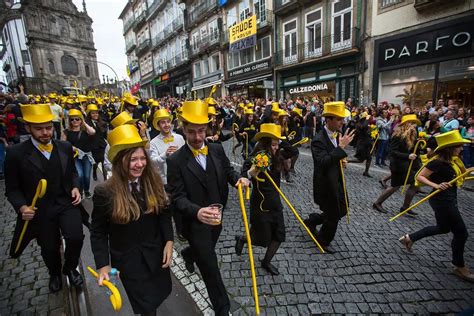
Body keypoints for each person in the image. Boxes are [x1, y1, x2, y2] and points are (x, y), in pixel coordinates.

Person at [166, 100, 250, 315]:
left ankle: (188, 254)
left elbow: (228, 171)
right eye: (191, 132)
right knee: (211, 266)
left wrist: (239, 180)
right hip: (195, 223)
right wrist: (197, 211)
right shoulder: (176, 161)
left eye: (201, 131)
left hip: (217, 219)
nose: (197, 137)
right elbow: (177, 198)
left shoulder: (216, 149)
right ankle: (223, 309)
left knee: (205, 252)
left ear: (208, 129)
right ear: (183, 130)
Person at [91, 124, 173, 315]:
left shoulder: (153, 181)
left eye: (142, 158)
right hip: (128, 261)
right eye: (133, 159)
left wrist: (169, 240)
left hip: (155, 254)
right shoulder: (104, 192)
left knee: (158, 294)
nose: (140, 164)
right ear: (120, 162)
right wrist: (103, 264)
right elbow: (98, 231)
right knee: (146, 306)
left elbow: (164, 212)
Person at [5, 104, 86, 293]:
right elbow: (12, 189)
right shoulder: (16, 154)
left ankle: (70, 268)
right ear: (28, 128)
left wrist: (75, 186)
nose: (45, 133)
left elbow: (73, 173)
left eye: (48, 127)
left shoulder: (65, 147)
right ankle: (55, 273)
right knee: (49, 247)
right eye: (39, 129)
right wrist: (22, 207)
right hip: (41, 210)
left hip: (66, 203)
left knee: (75, 237)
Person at [399, 130, 473, 282]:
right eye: (458, 146)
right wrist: (436, 185)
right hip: (442, 200)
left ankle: (409, 238)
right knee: (461, 233)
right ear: (450, 148)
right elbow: (419, 176)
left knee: (443, 228)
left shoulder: (453, 161)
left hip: (450, 198)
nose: (461, 148)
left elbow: (461, 177)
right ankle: (459, 266)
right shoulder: (437, 162)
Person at [235, 123, 298, 275]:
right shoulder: (254, 158)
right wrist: (252, 172)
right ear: (265, 144)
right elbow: (243, 176)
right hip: (260, 205)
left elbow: (294, 150)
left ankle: (266, 261)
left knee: (279, 235)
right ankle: (243, 239)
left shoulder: (278, 156)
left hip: (275, 202)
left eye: (277, 144)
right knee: (261, 238)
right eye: (274, 144)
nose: (276, 147)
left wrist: (280, 139)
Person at [303, 102, 355, 253]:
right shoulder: (318, 139)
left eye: (342, 119)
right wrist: (341, 148)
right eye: (339, 119)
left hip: (336, 181)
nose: (343, 122)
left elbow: (333, 158)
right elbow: (323, 162)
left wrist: (341, 160)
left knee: (343, 209)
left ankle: (312, 220)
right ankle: (322, 240)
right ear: (329, 120)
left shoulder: (336, 135)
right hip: (325, 184)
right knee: (333, 215)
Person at [373, 114, 422, 215]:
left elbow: (414, 150)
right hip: (398, 165)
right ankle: (377, 203)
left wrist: (419, 146)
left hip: (409, 165)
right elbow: (392, 152)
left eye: (415, 124)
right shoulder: (398, 135)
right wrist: (407, 156)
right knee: (395, 186)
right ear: (407, 124)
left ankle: (405, 207)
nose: (414, 126)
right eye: (413, 123)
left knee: (414, 184)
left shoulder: (413, 135)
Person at [149, 108, 186, 239]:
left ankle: (181, 229)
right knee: (166, 208)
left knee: (179, 205)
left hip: (181, 178)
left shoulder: (180, 138)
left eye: (168, 122)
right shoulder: (153, 143)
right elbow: (152, 162)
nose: (166, 125)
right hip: (164, 181)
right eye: (162, 122)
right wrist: (165, 154)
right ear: (158, 126)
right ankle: (167, 235)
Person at [61, 109, 96, 198]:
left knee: (87, 177)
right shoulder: (66, 131)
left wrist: (83, 121)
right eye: (72, 119)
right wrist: (71, 147)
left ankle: (87, 190)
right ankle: (80, 191)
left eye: (77, 119)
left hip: (86, 156)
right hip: (75, 157)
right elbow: (62, 144)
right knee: (80, 175)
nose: (74, 121)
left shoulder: (85, 130)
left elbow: (93, 132)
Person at [86, 104, 108, 181]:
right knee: (95, 163)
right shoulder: (87, 124)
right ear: (89, 114)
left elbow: (106, 135)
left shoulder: (102, 123)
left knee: (103, 163)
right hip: (93, 147)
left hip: (102, 146)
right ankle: (94, 172)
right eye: (93, 113)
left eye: (96, 113)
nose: (95, 115)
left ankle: (105, 179)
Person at [349, 112, 373, 177]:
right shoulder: (359, 124)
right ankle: (346, 161)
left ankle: (366, 172)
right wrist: (367, 119)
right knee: (360, 160)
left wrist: (371, 130)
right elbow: (364, 127)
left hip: (365, 144)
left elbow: (366, 130)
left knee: (369, 158)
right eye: (366, 118)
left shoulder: (362, 124)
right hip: (362, 144)